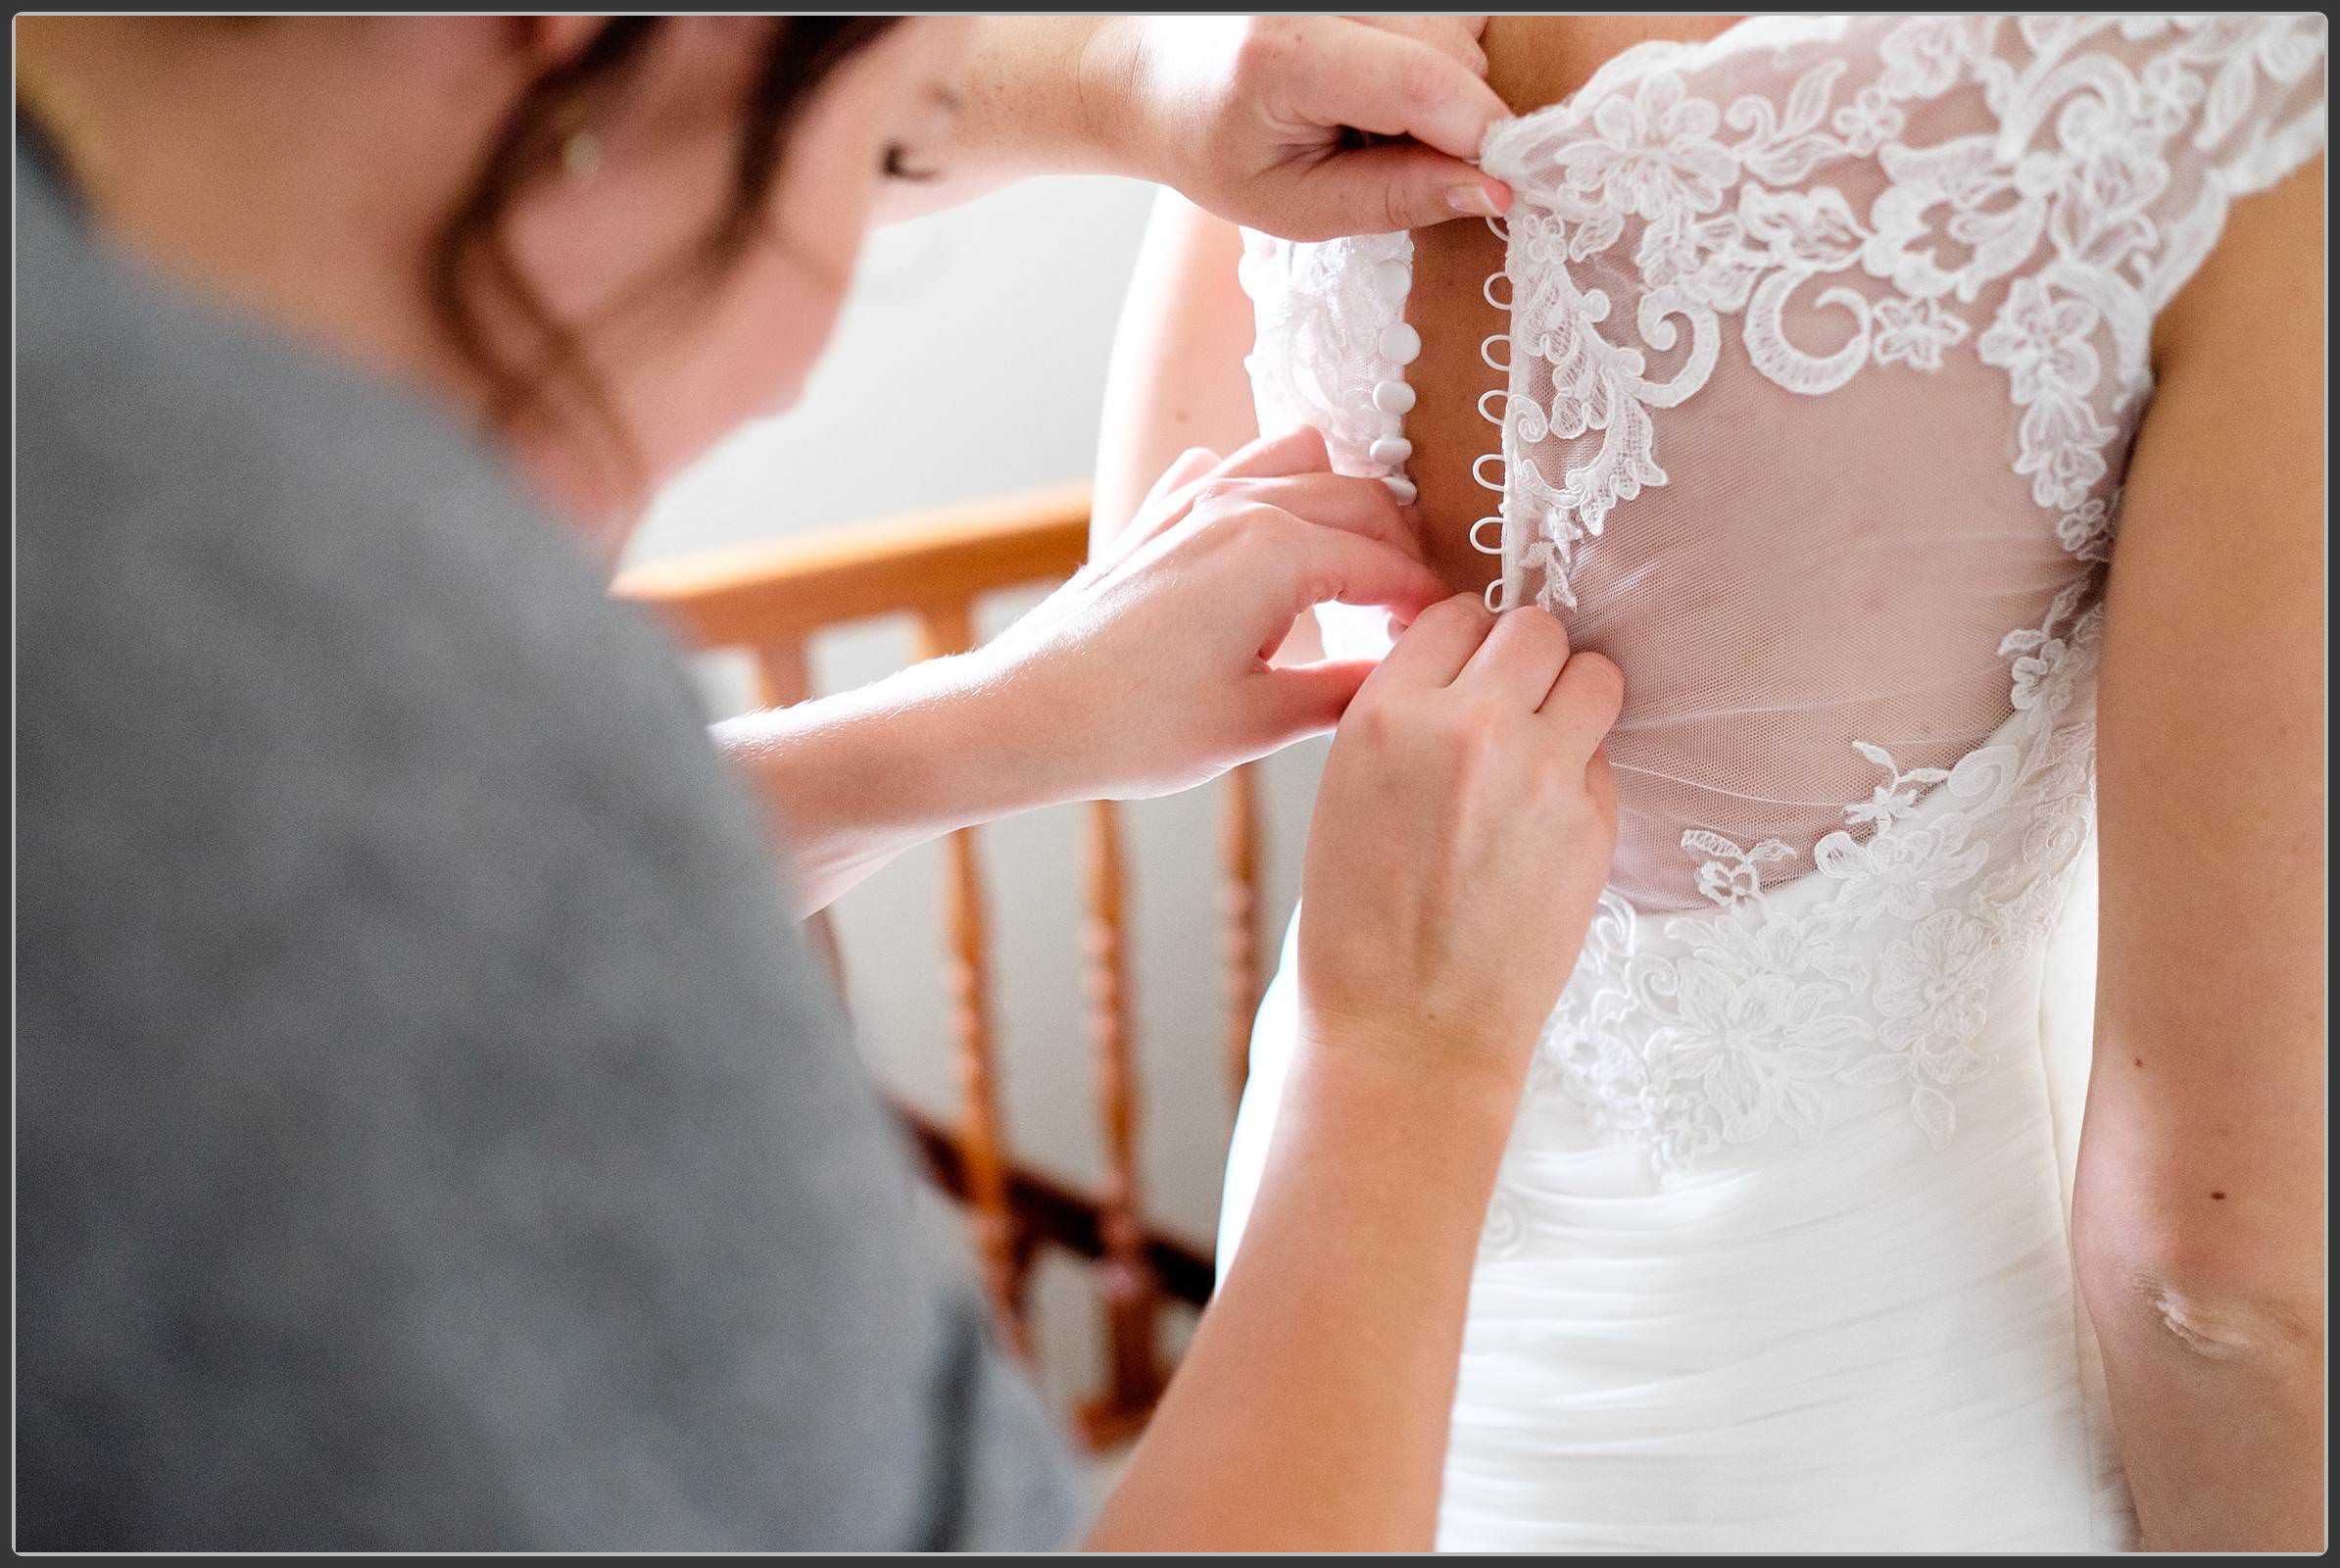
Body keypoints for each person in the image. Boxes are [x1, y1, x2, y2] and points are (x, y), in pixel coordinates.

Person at [14, 15, 1626, 1553]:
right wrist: (1405, 1053)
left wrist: (974, 727)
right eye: (884, 154)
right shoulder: (396, 712)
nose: (794, 380)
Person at [1093, 11, 2328, 1552]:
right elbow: (2213, 1285)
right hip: (1869, 1411)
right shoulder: (2218, 84)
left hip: (1337, 1301)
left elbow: (1159, 532)